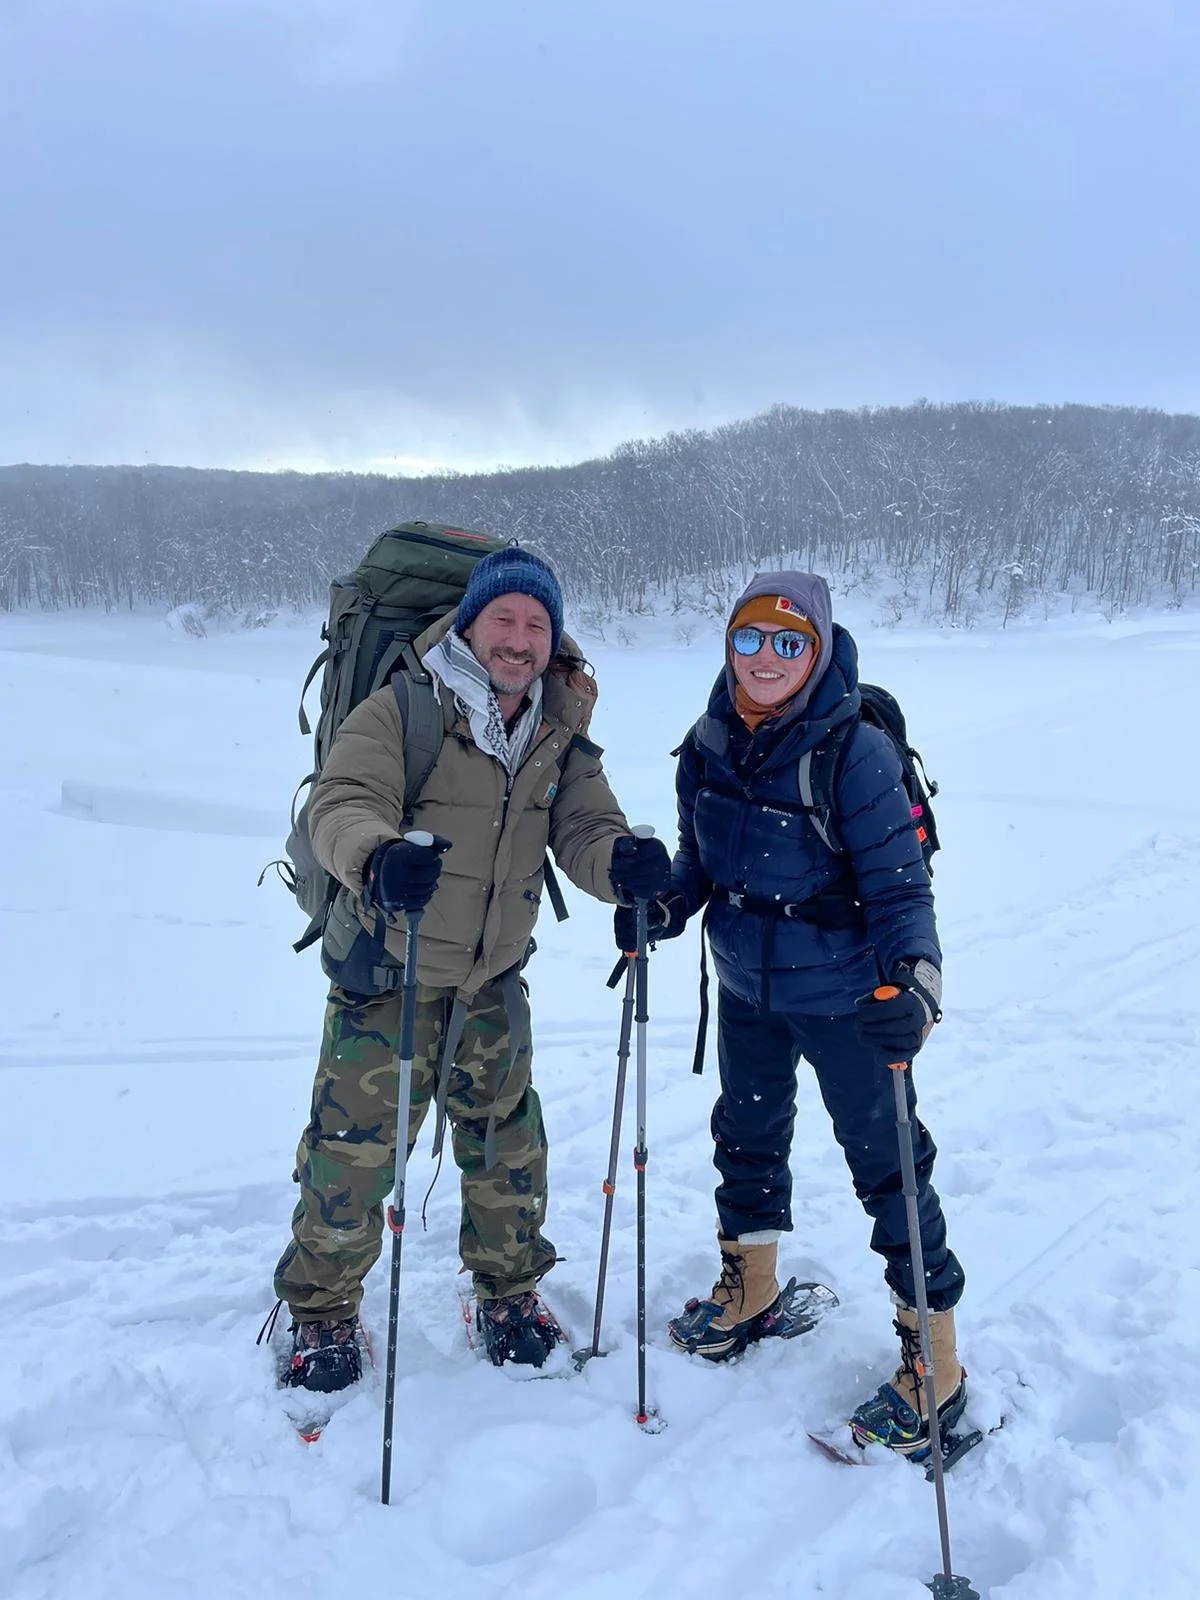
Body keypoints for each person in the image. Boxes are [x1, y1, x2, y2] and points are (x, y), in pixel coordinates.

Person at [275, 546, 671, 1386]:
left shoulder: (557, 730)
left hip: (491, 978)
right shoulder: (406, 707)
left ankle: (507, 1294)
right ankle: (322, 1312)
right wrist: (377, 857)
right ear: (470, 623)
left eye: (537, 623)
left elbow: (587, 828)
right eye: (505, 618)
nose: (520, 638)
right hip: (392, 966)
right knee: (353, 1155)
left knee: (507, 1149)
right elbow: (341, 803)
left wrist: (625, 865)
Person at [617, 571, 966, 1456]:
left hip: (850, 999)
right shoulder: (707, 741)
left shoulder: (855, 752)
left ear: (815, 651)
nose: (766, 659)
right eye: (750, 639)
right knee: (746, 1138)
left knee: (888, 1166)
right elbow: (702, 866)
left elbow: (898, 892)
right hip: (746, 990)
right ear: (728, 645)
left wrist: (915, 989)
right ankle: (752, 1287)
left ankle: (937, 1361)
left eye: (788, 643)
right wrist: (663, 908)